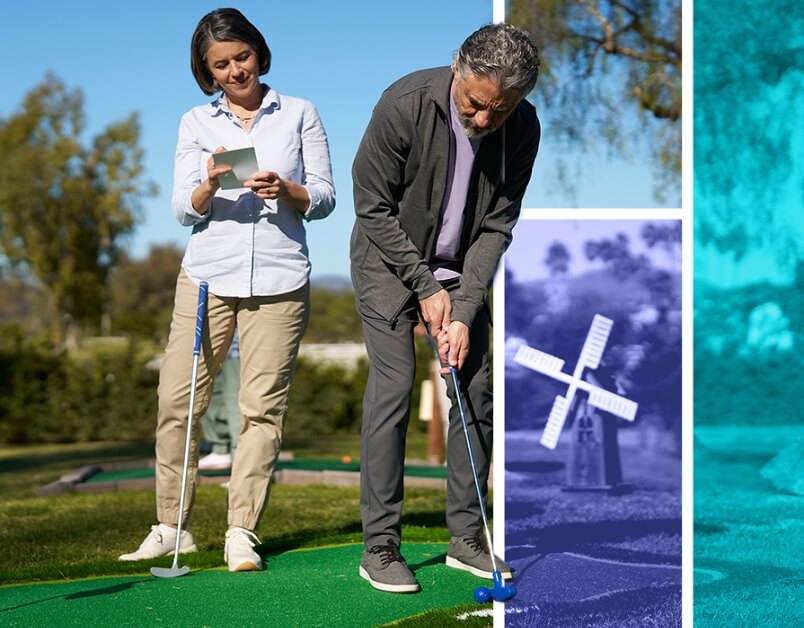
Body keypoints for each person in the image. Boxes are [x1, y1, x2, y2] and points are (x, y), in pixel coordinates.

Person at [119, 8, 335, 572]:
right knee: (177, 400)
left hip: (281, 280)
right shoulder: (195, 122)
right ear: (207, 72)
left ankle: (242, 532)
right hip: (208, 278)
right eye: (221, 65)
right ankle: (172, 527)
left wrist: (287, 188)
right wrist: (208, 183)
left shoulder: (301, 113)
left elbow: (327, 198)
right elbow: (179, 211)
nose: (235, 71)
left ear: (259, 54)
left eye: (242, 57)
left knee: (260, 410)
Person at [350, 23, 540, 593]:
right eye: (475, 104)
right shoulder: (403, 104)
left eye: (498, 111)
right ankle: (380, 546)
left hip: (462, 272)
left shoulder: (523, 126)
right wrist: (425, 287)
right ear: (456, 67)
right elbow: (371, 206)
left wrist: (462, 306)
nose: (483, 120)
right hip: (388, 264)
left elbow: (497, 225)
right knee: (394, 389)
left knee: (473, 391)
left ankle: (467, 540)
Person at [198, 329, 241, 472]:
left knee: (236, 403)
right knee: (211, 395)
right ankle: (220, 449)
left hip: (240, 349)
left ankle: (240, 464)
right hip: (220, 346)